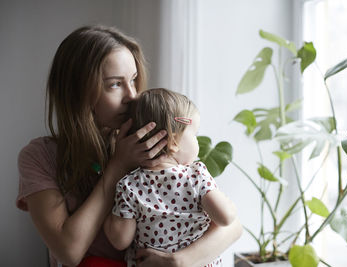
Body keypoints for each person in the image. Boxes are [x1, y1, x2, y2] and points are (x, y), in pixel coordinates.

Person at [16, 25, 242, 267]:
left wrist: (179, 261)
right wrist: (118, 166)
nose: (132, 96)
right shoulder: (40, 157)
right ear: (78, 92)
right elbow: (69, 252)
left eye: (133, 80)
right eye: (115, 84)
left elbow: (232, 225)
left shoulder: (154, 138)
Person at [104, 88, 237, 267]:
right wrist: (228, 204)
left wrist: (108, 222)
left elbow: (120, 240)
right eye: (194, 135)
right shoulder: (196, 176)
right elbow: (225, 218)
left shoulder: (130, 186)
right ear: (174, 142)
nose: (197, 142)